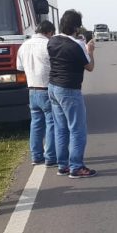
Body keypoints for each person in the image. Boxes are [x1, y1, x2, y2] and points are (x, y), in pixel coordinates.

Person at [47, 9, 97, 178]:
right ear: (76, 27)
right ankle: (76, 167)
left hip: (53, 86)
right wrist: (90, 50)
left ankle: (63, 166)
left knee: (61, 129)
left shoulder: (52, 41)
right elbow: (90, 67)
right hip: (69, 89)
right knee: (77, 129)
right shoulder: (77, 45)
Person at [16, 20, 57, 167]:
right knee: (52, 123)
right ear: (49, 32)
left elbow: (20, 67)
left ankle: (36, 156)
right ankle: (51, 157)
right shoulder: (48, 45)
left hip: (32, 89)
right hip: (46, 88)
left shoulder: (23, 46)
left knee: (36, 124)